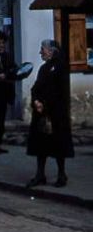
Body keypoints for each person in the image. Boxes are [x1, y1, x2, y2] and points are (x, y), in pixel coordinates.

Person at [25, 40, 74, 188]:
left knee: (59, 144)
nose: (41, 52)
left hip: (57, 114)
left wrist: (45, 104)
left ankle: (61, 175)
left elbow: (61, 93)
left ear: (52, 51)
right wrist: (35, 102)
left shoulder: (61, 67)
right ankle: (40, 175)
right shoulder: (43, 68)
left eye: (43, 49)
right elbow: (36, 88)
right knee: (40, 145)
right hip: (41, 114)